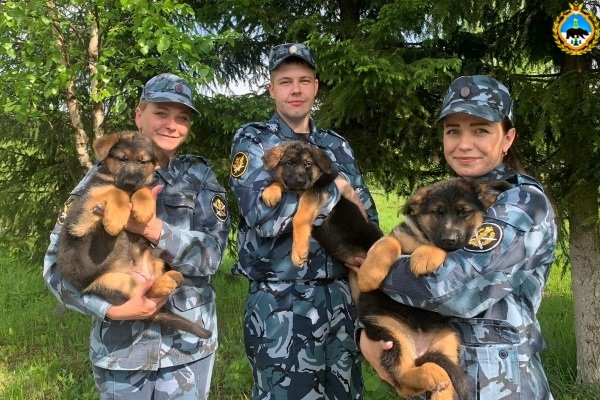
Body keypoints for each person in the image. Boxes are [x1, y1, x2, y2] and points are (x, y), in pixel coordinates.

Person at [358, 75, 557, 399]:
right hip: (434, 376)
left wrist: (368, 265)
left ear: (507, 138)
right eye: (454, 131)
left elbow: (450, 290)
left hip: (501, 386)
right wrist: (368, 335)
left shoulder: (521, 203)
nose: (464, 144)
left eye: (480, 130)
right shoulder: (448, 195)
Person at [43, 72, 230, 400]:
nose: (172, 124)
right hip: (121, 351)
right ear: (138, 115)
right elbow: (55, 269)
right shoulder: (98, 178)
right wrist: (111, 311)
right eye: (161, 112)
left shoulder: (199, 178)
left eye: (182, 117)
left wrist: (153, 230)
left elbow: (211, 258)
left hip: (187, 353)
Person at [229, 43, 378, 399]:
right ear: (272, 89)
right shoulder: (253, 141)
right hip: (282, 303)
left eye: (304, 80)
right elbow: (262, 217)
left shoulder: (336, 146)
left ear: (315, 86)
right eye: (285, 82)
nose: (295, 89)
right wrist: (333, 194)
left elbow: (365, 211)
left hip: (341, 299)